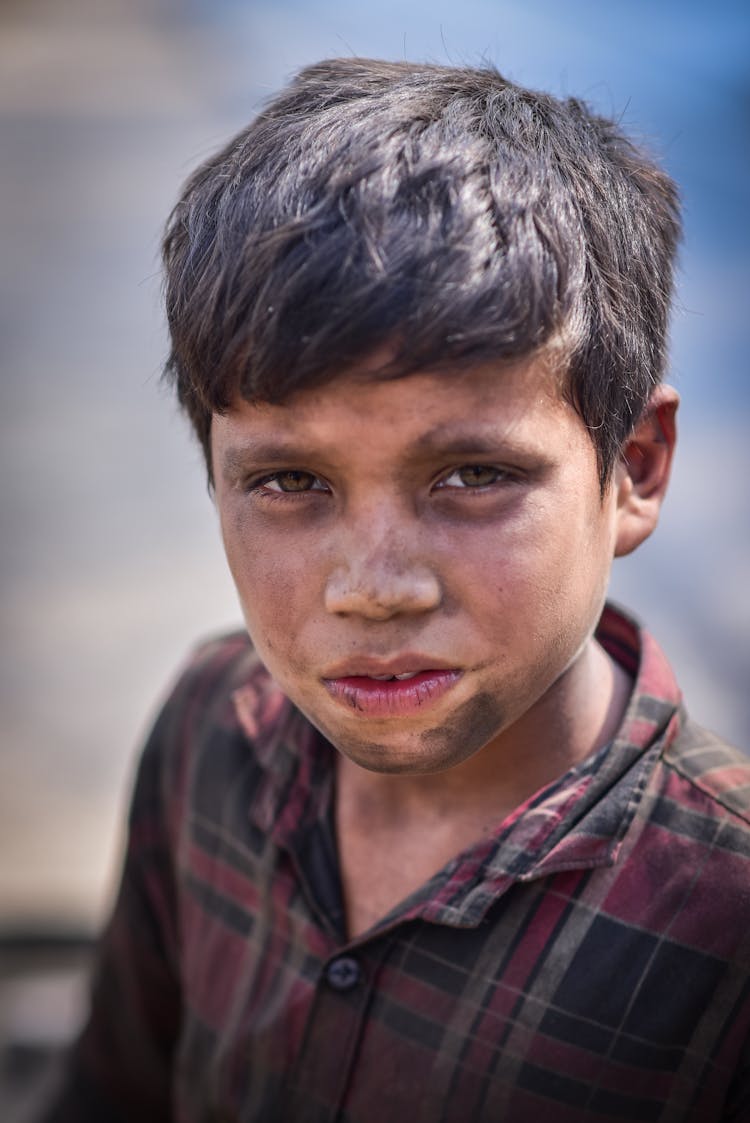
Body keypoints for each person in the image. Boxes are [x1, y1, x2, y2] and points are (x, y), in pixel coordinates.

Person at [42, 58, 750, 1122]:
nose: (375, 590)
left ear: (635, 467)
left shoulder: (725, 923)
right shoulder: (210, 728)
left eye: (474, 475)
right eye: (291, 481)